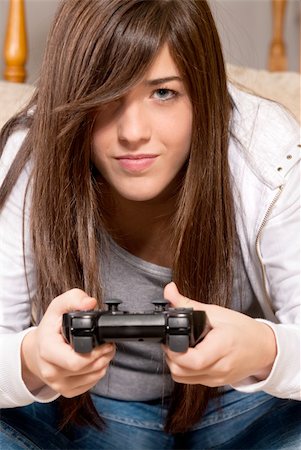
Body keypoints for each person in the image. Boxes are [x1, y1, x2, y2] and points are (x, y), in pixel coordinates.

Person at [0, 0, 300, 448]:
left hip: (243, 411)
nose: (133, 131)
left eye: (163, 93)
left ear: (204, 92)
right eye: (107, 94)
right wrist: (31, 360)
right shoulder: (33, 154)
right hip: (73, 417)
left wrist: (264, 350)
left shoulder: (268, 152)